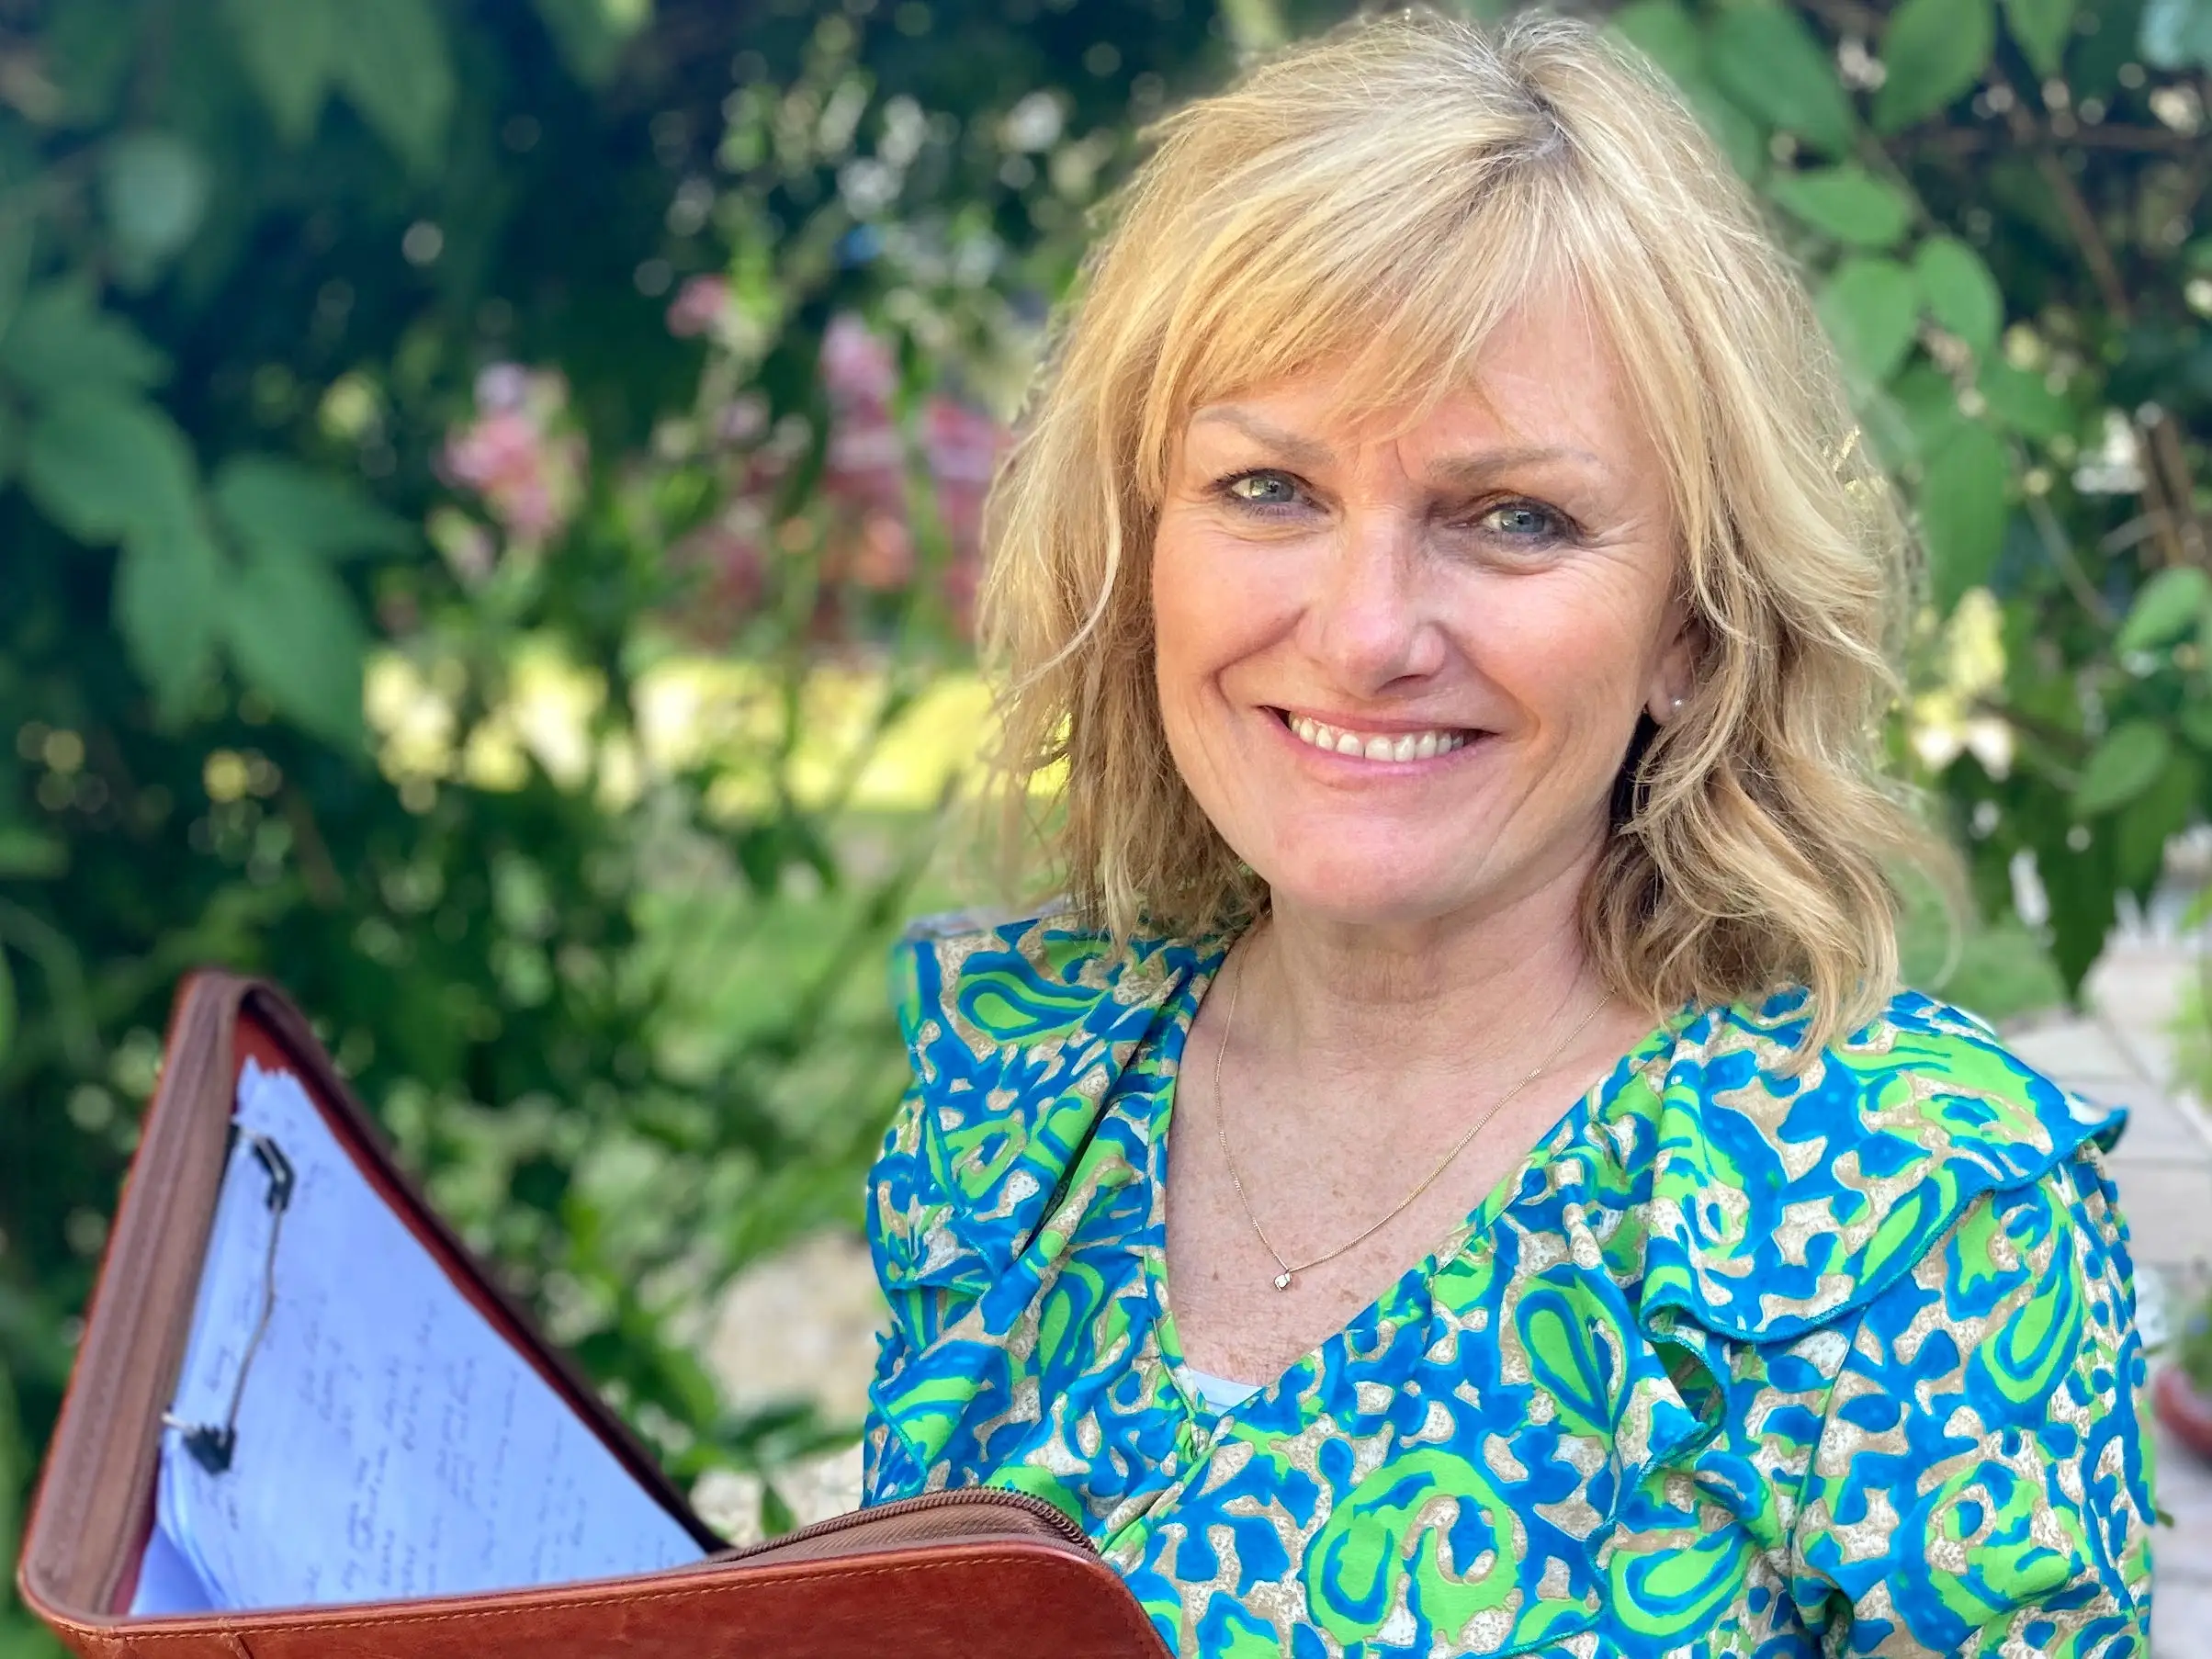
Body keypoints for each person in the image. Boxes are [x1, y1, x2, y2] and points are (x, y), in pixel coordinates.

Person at [857, 9, 2154, 1653]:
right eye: (1270, 488)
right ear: (1142, 540)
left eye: (1513, 517)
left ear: (1694, 625)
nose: (1365, 632)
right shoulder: (1023, 1087)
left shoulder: (1907, 1212)